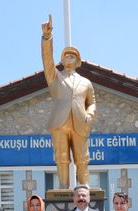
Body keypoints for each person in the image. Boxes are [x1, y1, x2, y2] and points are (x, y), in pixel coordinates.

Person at [41, 15, 96, 189]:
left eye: (73, 55)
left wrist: (90, 114)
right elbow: (47, 60)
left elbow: (92, 101)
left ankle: (83, 186)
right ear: (62, 60)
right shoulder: (55, 76)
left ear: (78, 60)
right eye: (66, 55)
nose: (69, 57)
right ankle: (64, 188)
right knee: (61, 157)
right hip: (60, 122)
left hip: (80, 121)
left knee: (82, 156)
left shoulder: (86, 82)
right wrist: (47, 38)